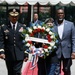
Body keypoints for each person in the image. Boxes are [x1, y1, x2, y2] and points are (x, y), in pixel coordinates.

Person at [0, 8, 28, 75]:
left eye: (16, 17)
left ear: (18, 17)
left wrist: (26, 53)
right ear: (9, 17)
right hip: (9, 54)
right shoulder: (4, 27)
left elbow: (26, 41)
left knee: (17, 72)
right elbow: (1, 41)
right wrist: (1, 52)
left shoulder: (22, 27)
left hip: (19, 54)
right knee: (10, 72)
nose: (14, 18)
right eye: (12, 16)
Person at [53, 8, 75, 75]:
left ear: (64, 15)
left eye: (61, 13)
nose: (60, 15)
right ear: (56, 15)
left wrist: (74, 51)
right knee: (56, 70)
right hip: (56, 51)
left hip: (67, 51)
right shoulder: (53, 25)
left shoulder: (70, 25)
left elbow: (73, 39)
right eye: (59, 13)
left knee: (66, 69)